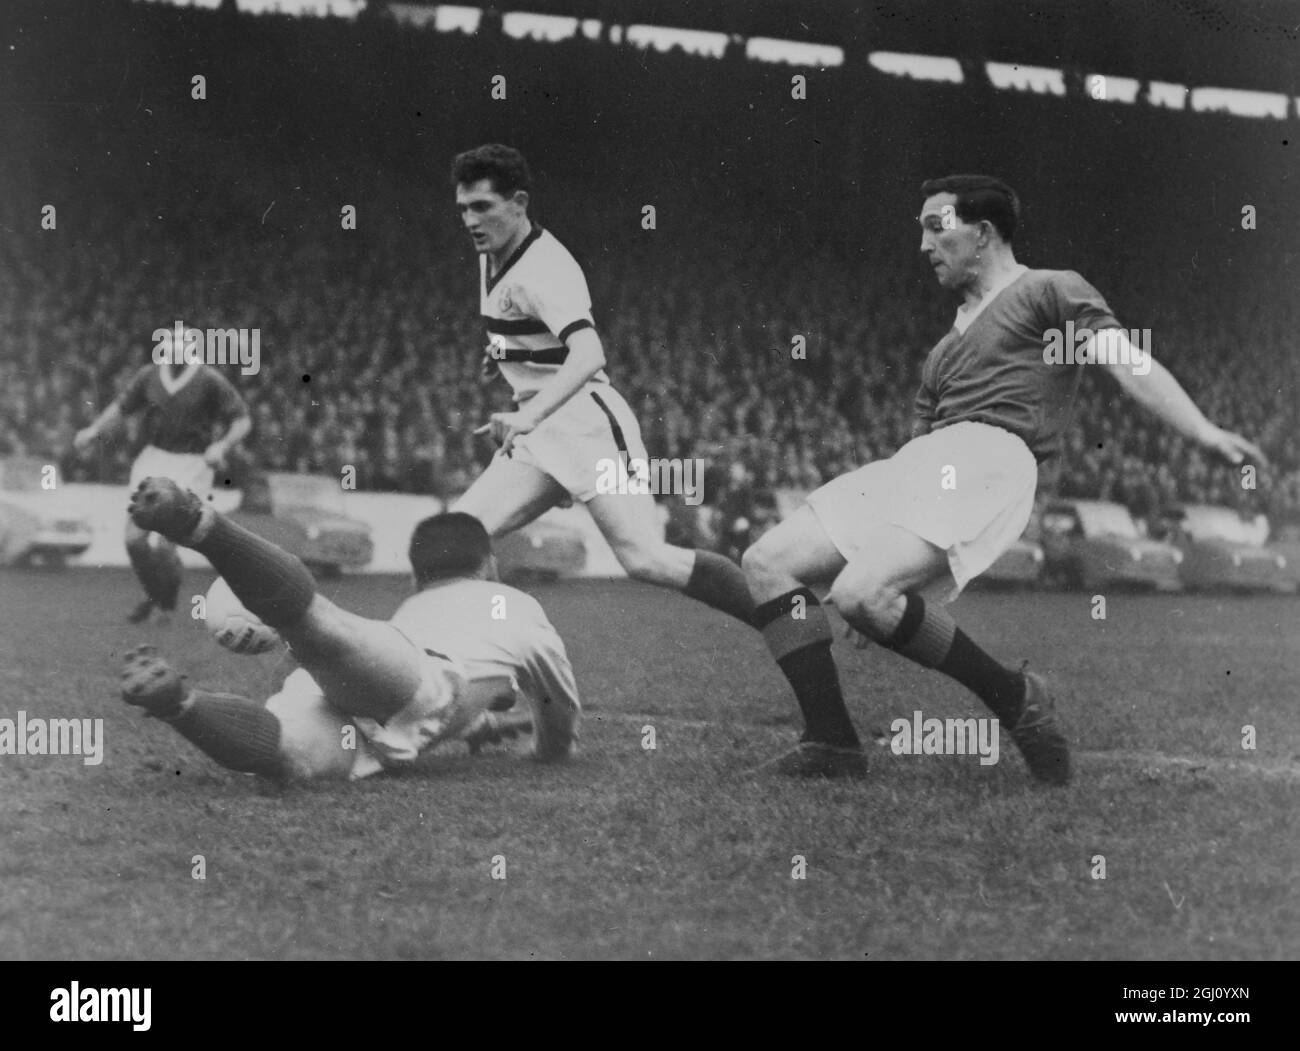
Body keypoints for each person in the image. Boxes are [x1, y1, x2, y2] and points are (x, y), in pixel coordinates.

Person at [741, 174, 1264, 783]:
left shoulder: (1048, 292)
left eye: (937, 227)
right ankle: (834, 741)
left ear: (984, 233)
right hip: (924, 461)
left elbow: (1125, 361)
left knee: (862, 594)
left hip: (992, 460)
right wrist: (879, 573)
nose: (923, 244)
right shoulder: (942, 352)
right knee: (767, 563)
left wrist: (1202, 430)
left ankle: (1009, 697)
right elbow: (918, 450)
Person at [448, 144, 753, 626]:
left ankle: (779, 612)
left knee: (646, 560)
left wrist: (528, 414)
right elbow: (529, 333)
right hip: (541, 433)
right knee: (454, 542)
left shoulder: (544, 269)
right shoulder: (491, 251)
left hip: (588, 429)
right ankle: (492, 664)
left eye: (482, 206)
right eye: (463, 208)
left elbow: (590, 354)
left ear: (519, 203)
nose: (470, 219)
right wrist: (504, 354)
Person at [120, 478, 580, 781]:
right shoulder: (517, 605)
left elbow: (459, 695)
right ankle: (201, 525)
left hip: (360, 707)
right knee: (318, 624)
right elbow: (558, 703)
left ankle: (180, 704)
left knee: (287, 752)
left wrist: (482, 724)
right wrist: (551, 749)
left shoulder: (415, 606)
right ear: (490, 566)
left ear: (417, 576)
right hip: (414, 684)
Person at [74, 328, 251, 623]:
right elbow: (121, 408)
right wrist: (94, 430)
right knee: (134, 540)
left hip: (192, 465)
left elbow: (242, 420)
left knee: (166, 545)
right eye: (169, 346)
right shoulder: (149, 375)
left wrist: (222, 445)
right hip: (153, 460)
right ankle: (155, 594)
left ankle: (164, 605)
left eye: (181, 346)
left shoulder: (209, 380)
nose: (174, 352)